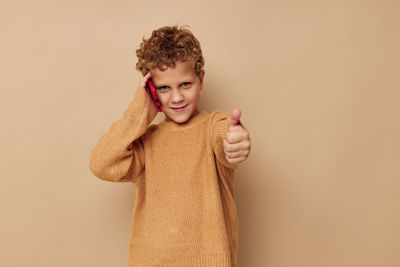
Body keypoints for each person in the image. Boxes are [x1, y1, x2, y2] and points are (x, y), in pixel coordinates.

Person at [89, 25, 251, 267]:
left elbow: (224, 135)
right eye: (164, 88)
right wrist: (141, 111)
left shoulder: (212, 126)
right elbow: (101, 163)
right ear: (151, 90)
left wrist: (234, 140)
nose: (177, 98)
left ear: (201, 79)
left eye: (185, 84)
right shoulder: (145, 143)